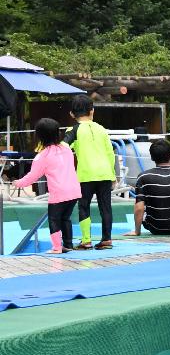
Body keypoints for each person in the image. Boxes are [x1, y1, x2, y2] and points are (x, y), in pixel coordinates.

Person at [13, 118, 81, 253]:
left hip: (58, 194)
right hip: (74, 191)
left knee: (54, 220)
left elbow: (32, 177)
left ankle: (57, 247)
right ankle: (68, 245)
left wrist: (18, 183)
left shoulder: (42, 156)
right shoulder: (66, 149)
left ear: (39, 136)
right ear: (57, 133)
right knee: (66, 218)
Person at [64, 95, 116, 250]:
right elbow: (110, 153)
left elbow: (63, 147)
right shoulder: (102, 129)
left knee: (84, 206)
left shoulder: (73, 129)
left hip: (85, 175)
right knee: (106, 207)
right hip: (106, 173)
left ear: (72, 114)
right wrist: (113, 175)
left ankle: (86, 240)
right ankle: (106, 239)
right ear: (92, 111)